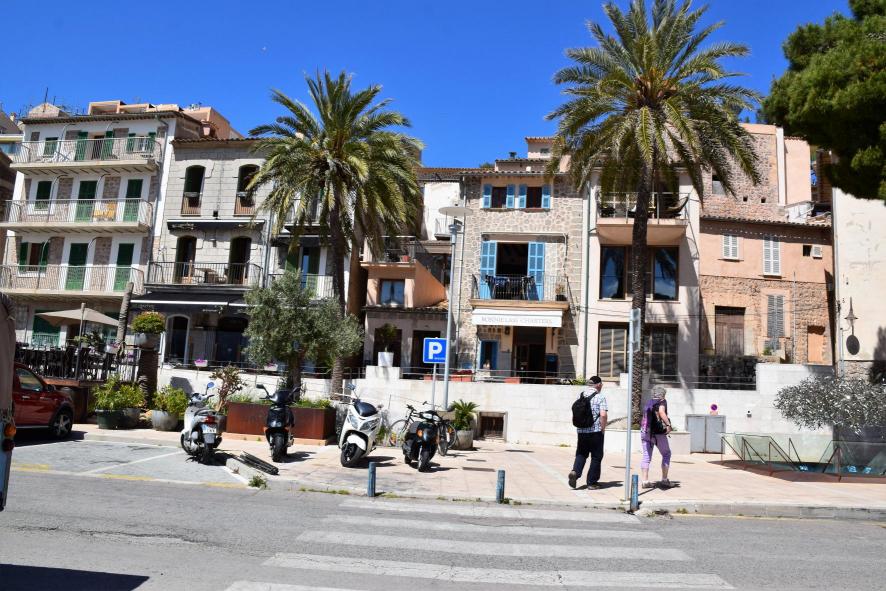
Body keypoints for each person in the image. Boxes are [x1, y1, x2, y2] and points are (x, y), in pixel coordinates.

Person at [568, 376, 608, 490]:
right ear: (598, 384)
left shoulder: (580, 395)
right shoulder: (600, 397)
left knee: (581, 453)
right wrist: (603, 428)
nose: (602, 386)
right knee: (596, 456)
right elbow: (603, 415)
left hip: (581, 431)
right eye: (601, 384)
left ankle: (575, 472)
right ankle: (592, 482)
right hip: (595, 431)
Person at [640, 385, 673, 488]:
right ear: (662, 395)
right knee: (666, 454)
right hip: (658, 434)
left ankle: (645, 481)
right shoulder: (662, 402)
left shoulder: (649, 402)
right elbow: (661, 412)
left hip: (645, 432)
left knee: (646, 456)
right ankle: (664, 480)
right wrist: (668, 425)